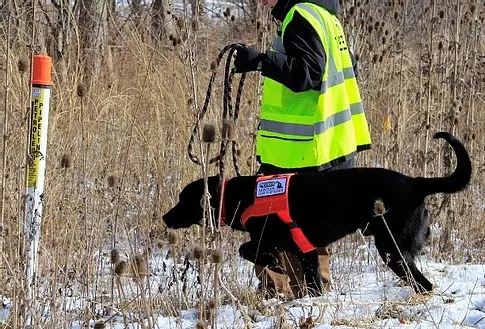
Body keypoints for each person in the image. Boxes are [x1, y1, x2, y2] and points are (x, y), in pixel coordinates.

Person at [233, 0, 372, 298]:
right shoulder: (325, 16)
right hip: (327, 146)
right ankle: (312, 296)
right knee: (305, 223)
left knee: (266, 217)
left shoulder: (300, 15)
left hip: (302, 149)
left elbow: (308, 73)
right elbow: (349, 69)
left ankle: (283, 296)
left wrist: (260, 61)